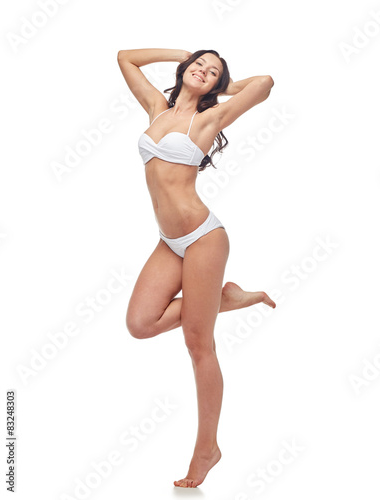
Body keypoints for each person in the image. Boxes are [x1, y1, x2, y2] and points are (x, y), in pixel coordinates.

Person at [117, 48, 276, 488]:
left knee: (197, 344)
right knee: (140, 322)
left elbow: (263, 83)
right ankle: (222, 299)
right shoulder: (157, 108)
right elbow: (124, 58)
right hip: (170, 241)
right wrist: (185, 54)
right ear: (184, 70)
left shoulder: (209, 120)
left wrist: (221, 87)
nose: (203, 72)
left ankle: (207, 448)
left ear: (217, 84)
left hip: (204, 238)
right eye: (198, 66)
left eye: (213, 72)